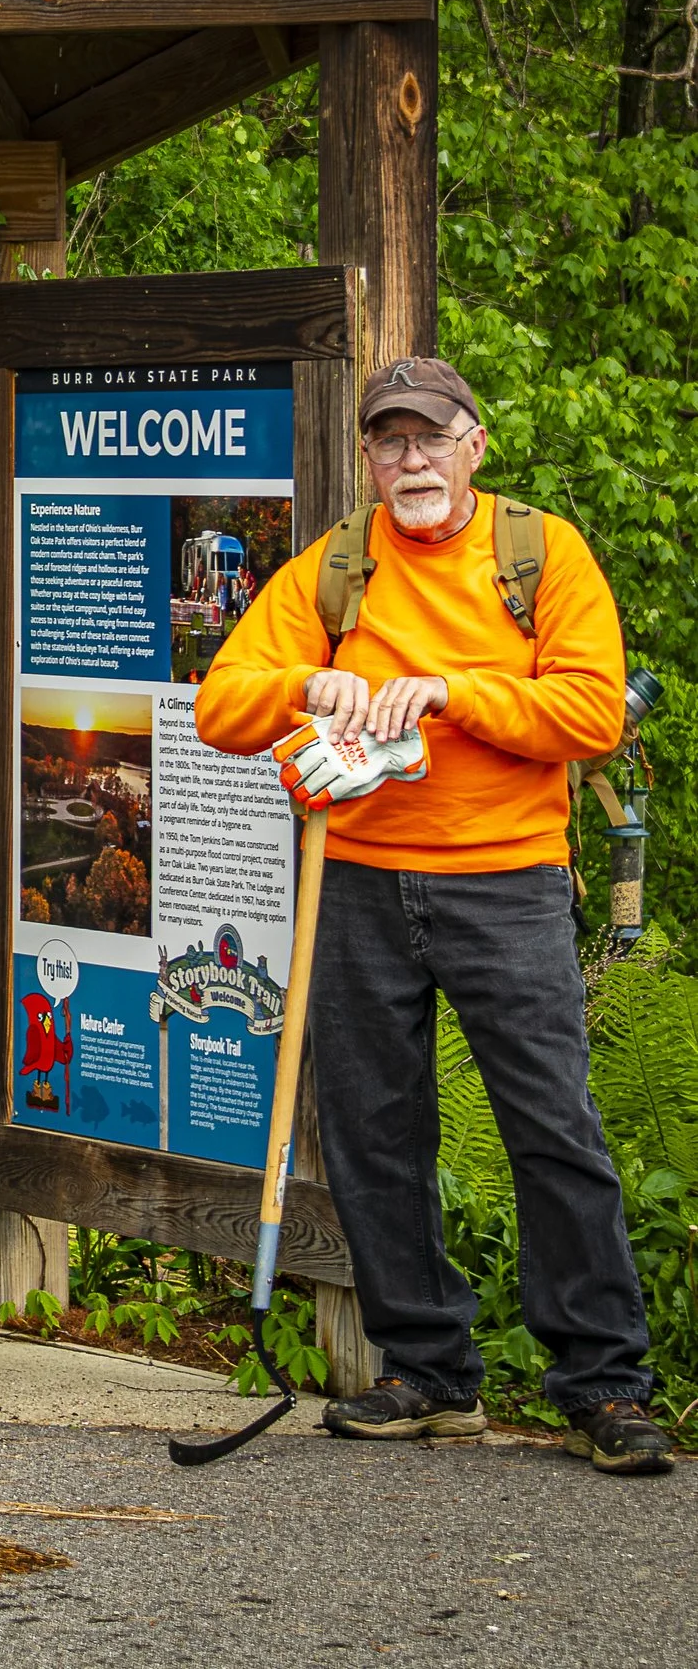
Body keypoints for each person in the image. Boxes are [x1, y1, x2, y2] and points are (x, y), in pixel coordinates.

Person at [197, 355, 675, 1476]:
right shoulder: (335, 566)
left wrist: (451, 692)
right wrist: (308, 687)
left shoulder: (538, 554)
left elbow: (592, 711)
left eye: (429, 438)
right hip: (354, 881)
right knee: (373, 1132)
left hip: (506, 881)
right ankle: (427, 1370)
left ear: (473, 444)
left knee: (551, 1128)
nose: (409, 460)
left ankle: (603, 1385)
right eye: (388, 442)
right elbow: (224, 699)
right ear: (366, 458)